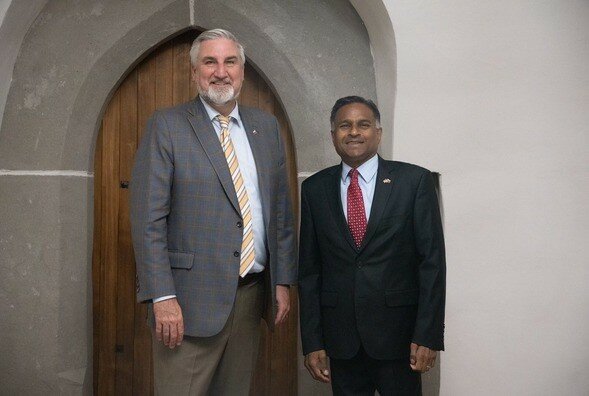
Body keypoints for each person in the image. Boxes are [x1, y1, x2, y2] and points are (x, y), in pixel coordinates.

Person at [130, 28, 296, 395]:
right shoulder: (168, 126)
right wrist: (162, 296)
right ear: (194, 73)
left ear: (242, 70)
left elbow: (280, 213)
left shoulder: (266, 128)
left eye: (230, 61)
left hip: (251, 297)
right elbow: (148, 221)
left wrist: (282, 280)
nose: (221, 71)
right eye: (210, 62)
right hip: (187, 303)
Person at [298, 96, 446, 395]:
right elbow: (309, 271)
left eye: (363, 125)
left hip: (401, 339)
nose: (354, 132)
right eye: (345, 125)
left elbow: (432, 263)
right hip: (342, 342)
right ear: (333, 136)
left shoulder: (413, 181)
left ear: (378, 133)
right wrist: (313, 342)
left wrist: (428, 335)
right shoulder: (314, 189)